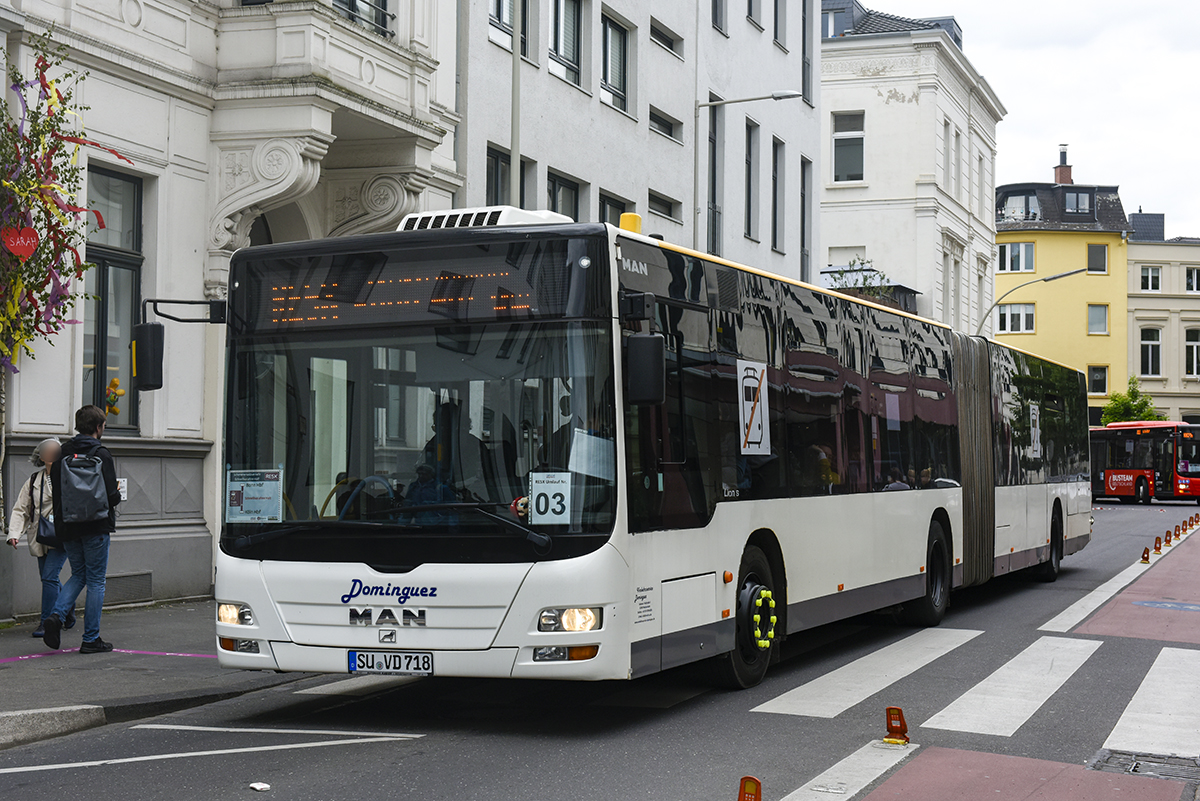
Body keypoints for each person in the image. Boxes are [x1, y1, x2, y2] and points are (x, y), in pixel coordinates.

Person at [42, 405, 121, 654]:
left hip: (68, 525)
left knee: (78, 574)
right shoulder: (102, 454)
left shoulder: (62, 453)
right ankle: (90, 639)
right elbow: (111, 496)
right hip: (96, 526)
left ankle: (56, 615)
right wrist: (117, 494)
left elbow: (56, 491)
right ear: (98, 427)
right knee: (96, 581)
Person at [5, 439, 75, 638]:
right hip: (41, 535)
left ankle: (47, 622)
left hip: (62, 535)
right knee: (48, 577)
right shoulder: (34, 480)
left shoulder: (69, 476)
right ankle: (67, 608)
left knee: (49, 577)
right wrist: (14, 534)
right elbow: (21, 509)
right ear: (42, 456)